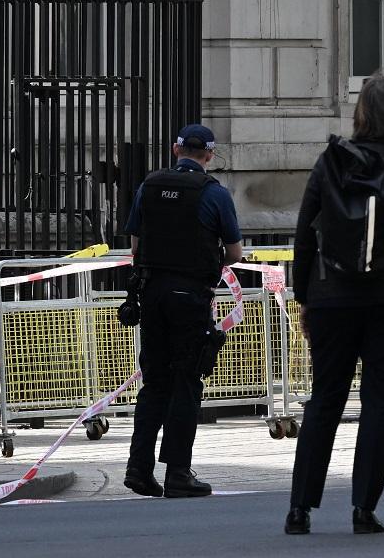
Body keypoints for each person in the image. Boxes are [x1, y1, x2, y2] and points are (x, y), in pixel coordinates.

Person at [284, 72, 384, 536]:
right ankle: (364, 508)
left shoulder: (328, 163)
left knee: (325, 400)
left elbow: (304, 237)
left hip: (332, 297)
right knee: (380, 401)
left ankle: (299, 509)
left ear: (360, 113)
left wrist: (305, 298)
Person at [122, 123, 242, 499]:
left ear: (176, 150)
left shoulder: (149, 186)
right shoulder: (214, 193)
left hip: (153, 295)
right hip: (190, 297)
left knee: (154, 382)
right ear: (208, 154)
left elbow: (136, 245)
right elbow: (235, 254)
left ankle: (138, 469)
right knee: (187, 382)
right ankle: (177, 471)